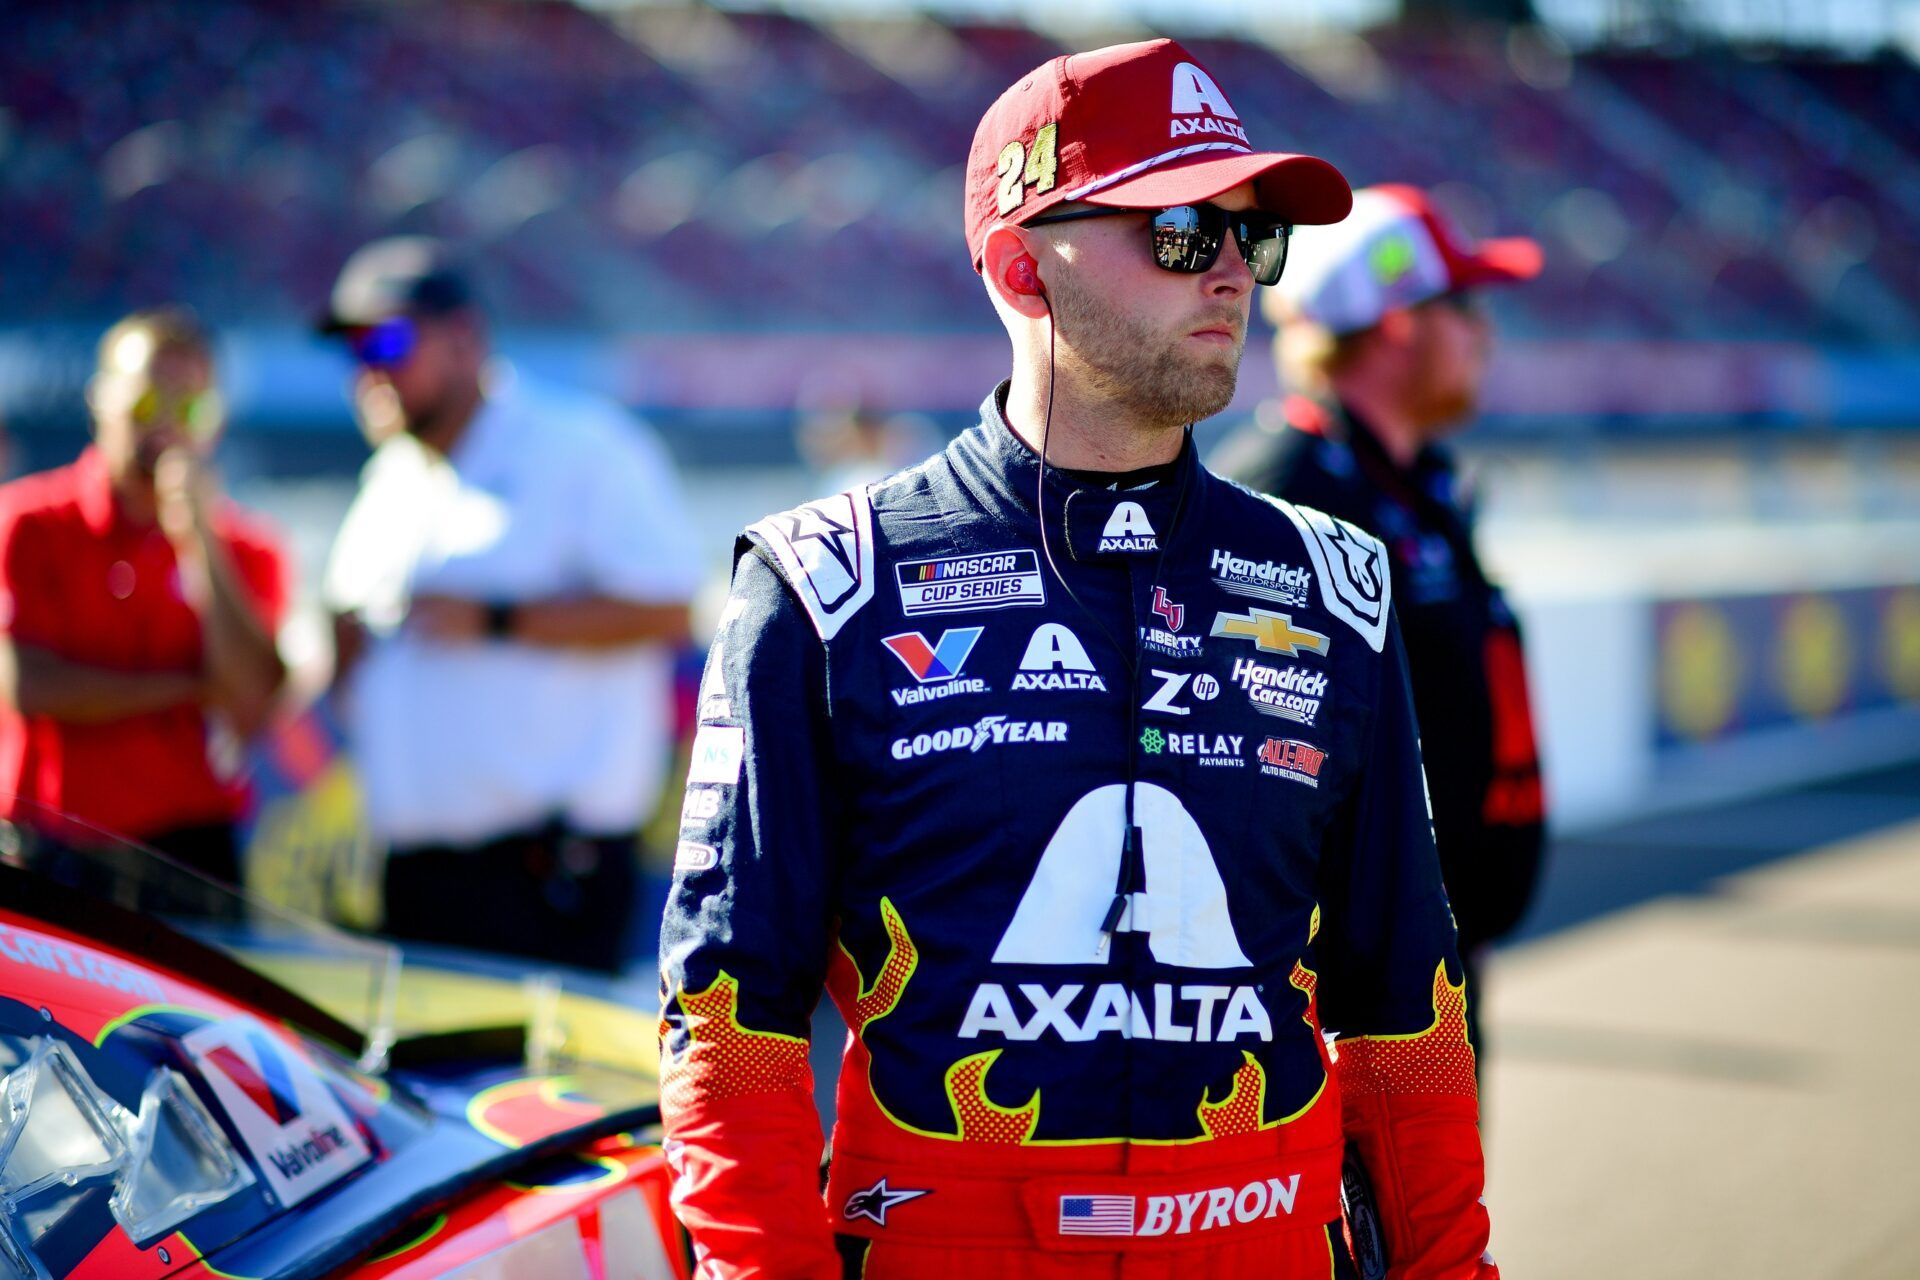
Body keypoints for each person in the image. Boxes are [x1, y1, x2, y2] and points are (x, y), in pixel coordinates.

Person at [659, 41, 1498, 1278]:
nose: (1230, 270)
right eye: (1178, 231)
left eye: (1248, 235)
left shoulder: (1337, 588)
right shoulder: (821, 584)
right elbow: (730, 1030)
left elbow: (1406, 1021)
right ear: (1020, 267)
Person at [1211, 185, 1548, 1065]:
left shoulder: (1421, 485)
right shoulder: (1279, 495)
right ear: (1398, 322)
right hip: (1327, 1013)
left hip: (1433, 976)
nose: (1487, 332)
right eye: (1465, 304)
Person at [319, 238, 700, 974]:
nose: (370, 368)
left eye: (390, 339)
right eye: (354, 349)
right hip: (415, 876)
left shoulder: (581, 446)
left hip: (545, 878)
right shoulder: (390, 479)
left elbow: (670, 608)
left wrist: (499, 620)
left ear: (466, 340)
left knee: (553, 1094)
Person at [0, 309, 291, 881]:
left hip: (190, 851)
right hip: (52, 844)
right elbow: (27, 685)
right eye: (144, 403)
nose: (164, 424)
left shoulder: (248, 547)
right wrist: (191, 689)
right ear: (99, 400)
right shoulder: (27, 523)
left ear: (215, 422)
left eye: (188, 408)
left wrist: (200, 538)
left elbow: (253, 698)